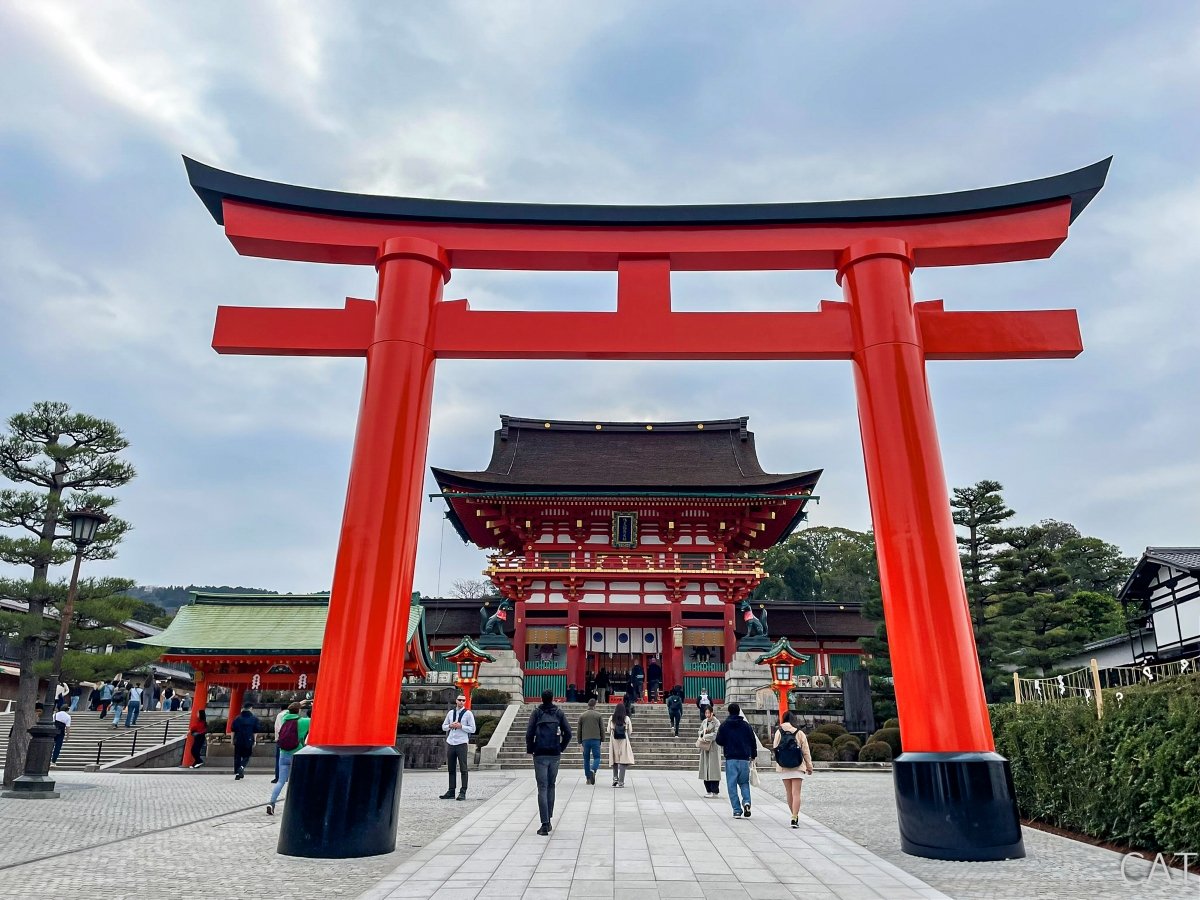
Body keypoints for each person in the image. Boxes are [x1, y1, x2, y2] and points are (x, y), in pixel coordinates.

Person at [525, 689, 571, 835]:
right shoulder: (558, 712)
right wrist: (561, 747)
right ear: (552, 698)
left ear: (541, 698)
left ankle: (545, 823)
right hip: (554, 753)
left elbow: (529, 733)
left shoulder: (537, 713)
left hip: (539, 753)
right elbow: (568, 733)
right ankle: (549, 818)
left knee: (542, 787)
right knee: (551, 786)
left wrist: (530, 749)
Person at [772, 711, 814, 828]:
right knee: (796, 793)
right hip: (798, 765)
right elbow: (806, 751)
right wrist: (809, 766)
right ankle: (795, 817)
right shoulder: (799, 733)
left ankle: (792, 814)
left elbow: (775, 748)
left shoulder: (778, 732)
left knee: (789, 793)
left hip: (783, 766)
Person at [714, 702, 756, 819]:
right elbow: (752, 741)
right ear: (739, 711)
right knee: (744, 783)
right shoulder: (746, 726)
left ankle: (737, 810)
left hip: (731, 758)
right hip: (744, 758)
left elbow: (719, 741)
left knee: (732, 785)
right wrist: (753, 754)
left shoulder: (724, 726)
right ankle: (747, 802)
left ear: (729, 711)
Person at [267, 702, 310, 815]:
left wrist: (298, 704)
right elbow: (316, 719)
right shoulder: (303, 722)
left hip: (283, 753)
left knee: (281, 781)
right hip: (297, 754)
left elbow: (287, 711)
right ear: (299, 711)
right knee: (297, 781)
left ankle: (271, 803)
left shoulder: (284, 719)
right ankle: (296, 805)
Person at [440, 693, 475, 801]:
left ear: (465, 702)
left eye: (463, 700)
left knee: (463, 768)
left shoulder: (468, 714)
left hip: (462, 742)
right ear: (456, 701)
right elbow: (444, 726)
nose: (461, 702)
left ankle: (463, 791)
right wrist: (450, 725)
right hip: (451, 742)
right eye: (459, 700)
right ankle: (451, 791)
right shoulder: (451, 713)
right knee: (451, 768)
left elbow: (473, 729)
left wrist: (461, 726)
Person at [608, 701, 635, 787]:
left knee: (614, 760)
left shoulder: (612, 718)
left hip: (614, 740)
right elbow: (630, 731)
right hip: (624, 740)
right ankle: (621, 781)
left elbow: (608, 730)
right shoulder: (626, 718)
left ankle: (615, 778)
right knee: (623, 761)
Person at [577, 698, 604, 785]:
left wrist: (579, 742)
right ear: (595, 705)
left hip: (585, 740)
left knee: (586, 759)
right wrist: (602, 740)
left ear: (588, 705)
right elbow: (602, 729)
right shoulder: (598, 715)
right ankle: (593, 769)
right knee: (597, 757)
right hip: (596, 739)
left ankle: (588, 778)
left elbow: (579, 730)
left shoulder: (582, 716)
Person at [697, 704, 721, 797]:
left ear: (712, 713)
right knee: (705, 768)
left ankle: (715, 790)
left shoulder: (716, 722)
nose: (707, 715)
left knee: (714, 769)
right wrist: (702, 732)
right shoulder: (704, 721)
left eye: (708, 713)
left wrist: (705, 735)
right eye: (705, 713)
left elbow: (716, 734)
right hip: (705, 747)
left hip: (713, 747)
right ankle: (708, 790)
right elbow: (699, 731)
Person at [230, 703, 258, 779]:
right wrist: (255, 740)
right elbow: (255, 731)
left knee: (237, 756)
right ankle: (242, 767)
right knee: (247, 755)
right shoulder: (254, 719)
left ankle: (237, 772)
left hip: (238, 739)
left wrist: (232, 740)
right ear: (251, 708)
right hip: (248, 739)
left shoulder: (237, 718)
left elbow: (233, 730)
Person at [271, 705, 290, 784]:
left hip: (281, 739)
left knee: (279, 759)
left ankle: (278, 776)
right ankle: (286, 776)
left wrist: (277, 738)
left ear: (281, 709)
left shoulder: (280, 715)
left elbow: (277, 728)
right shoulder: (293, 715)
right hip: (291, 740)